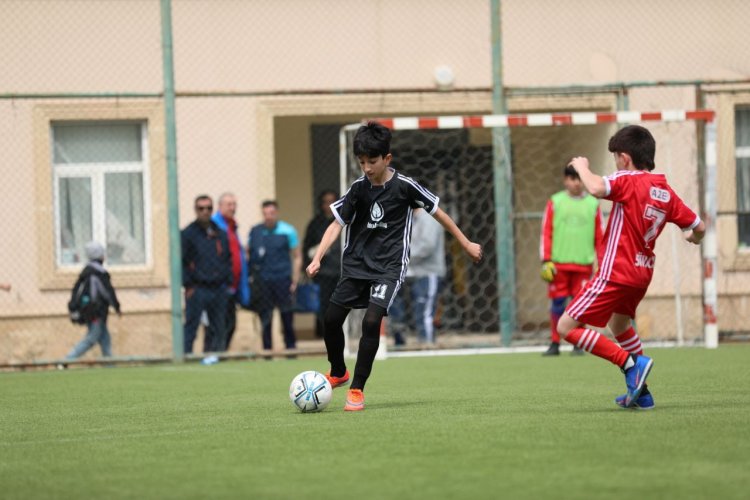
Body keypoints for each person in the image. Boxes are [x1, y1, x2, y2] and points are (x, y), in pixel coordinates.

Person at [306, 122, 483, 411]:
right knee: (331, 319)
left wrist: (465, 243)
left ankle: (357, 389)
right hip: (355, 266)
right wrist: (317, 258)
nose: (366, 167)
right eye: (361, 162)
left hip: (388, 267)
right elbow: (336, 225)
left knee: (372, 321)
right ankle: (338, 371)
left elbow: (439, 213)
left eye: (372, 161)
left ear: (387, 158)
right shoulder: (358, 189)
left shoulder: (405, 186)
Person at [557, 125, 705, 409]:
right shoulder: (665, 190)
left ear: (624, 158)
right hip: (641, 273)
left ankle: (629, 364)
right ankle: (643, 393)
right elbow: (699, 227)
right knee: (619, 324)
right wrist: (692, 237)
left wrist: (581, 166)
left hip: (616, 271)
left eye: (615, 158)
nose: (615, 163)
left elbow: (597, 188)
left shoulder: (627, 179)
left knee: (566, 327)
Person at [540, 164, 603, 356]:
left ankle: (578, 343)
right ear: (565, 180)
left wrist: (600, 262)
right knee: (558, 304)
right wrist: (546, 259)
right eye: (572, 179)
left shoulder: (593, 204)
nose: (576, 183)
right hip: (558, 265)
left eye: (579, 179)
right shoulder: (555, 202)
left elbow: (600, 237)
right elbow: (546, 232)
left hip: (583, 265)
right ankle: (555, 342)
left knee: (579, 306)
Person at [247, 200, 302, 351]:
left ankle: (291, 349)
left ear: (276, 213)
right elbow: (248, 254)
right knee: (266, 319)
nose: (268, 217)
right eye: (265, 214)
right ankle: (267, 351)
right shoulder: (256, 232)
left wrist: (295, 280)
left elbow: (297, 256)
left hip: (283, 280)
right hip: (263, 282)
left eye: (271, 213)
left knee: (287, 318)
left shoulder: (287, 230)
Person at [182, 195, 232, 356]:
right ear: (196, 210)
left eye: (209, 208)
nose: (205, 212)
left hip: (218, 288)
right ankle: (186, 355)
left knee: (219, 326)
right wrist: (188, 285)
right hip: (197, 288)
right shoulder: (188, 234)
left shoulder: (219, 232)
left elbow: (227, 258)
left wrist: (227, 280)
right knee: (191, 325)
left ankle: (217, 356)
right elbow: (181, 262)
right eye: (201, 208)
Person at [389, 208, 446, 346]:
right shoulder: (409, 218)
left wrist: (402, 257)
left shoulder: (428, 218)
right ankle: (399, 340)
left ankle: (427, 344)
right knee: (390, 297)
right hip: (409, 271)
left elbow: (427, 246)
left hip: (428, 272)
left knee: (424, 310)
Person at [206, 192, 250, 351]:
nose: (232, 208)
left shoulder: (232, 226)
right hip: (219, 285)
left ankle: (221, 353)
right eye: (228, 204)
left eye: (234, 204)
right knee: (217, 324)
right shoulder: (214, 226)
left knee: (230, 323)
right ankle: (213, 353)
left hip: (233, 285)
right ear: (220, 206)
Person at [65, 241, 121, 362]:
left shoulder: (86, 272)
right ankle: (68, 359)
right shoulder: (99, 273)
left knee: (105, 337)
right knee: (92, 337)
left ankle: (109, 362)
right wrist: (116, 305)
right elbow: (107, 292)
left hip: (89, 310)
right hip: (96, 311)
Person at [303, 190, 341, 339]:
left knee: (341, 304)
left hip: (341, 270)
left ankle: (340, 332)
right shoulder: (315, 224)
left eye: (332, 201)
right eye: (326, 201)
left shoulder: (343, 220)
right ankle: (325, 333)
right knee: (323, 304)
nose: (329, 205)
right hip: (323, 272)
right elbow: (307, 247)